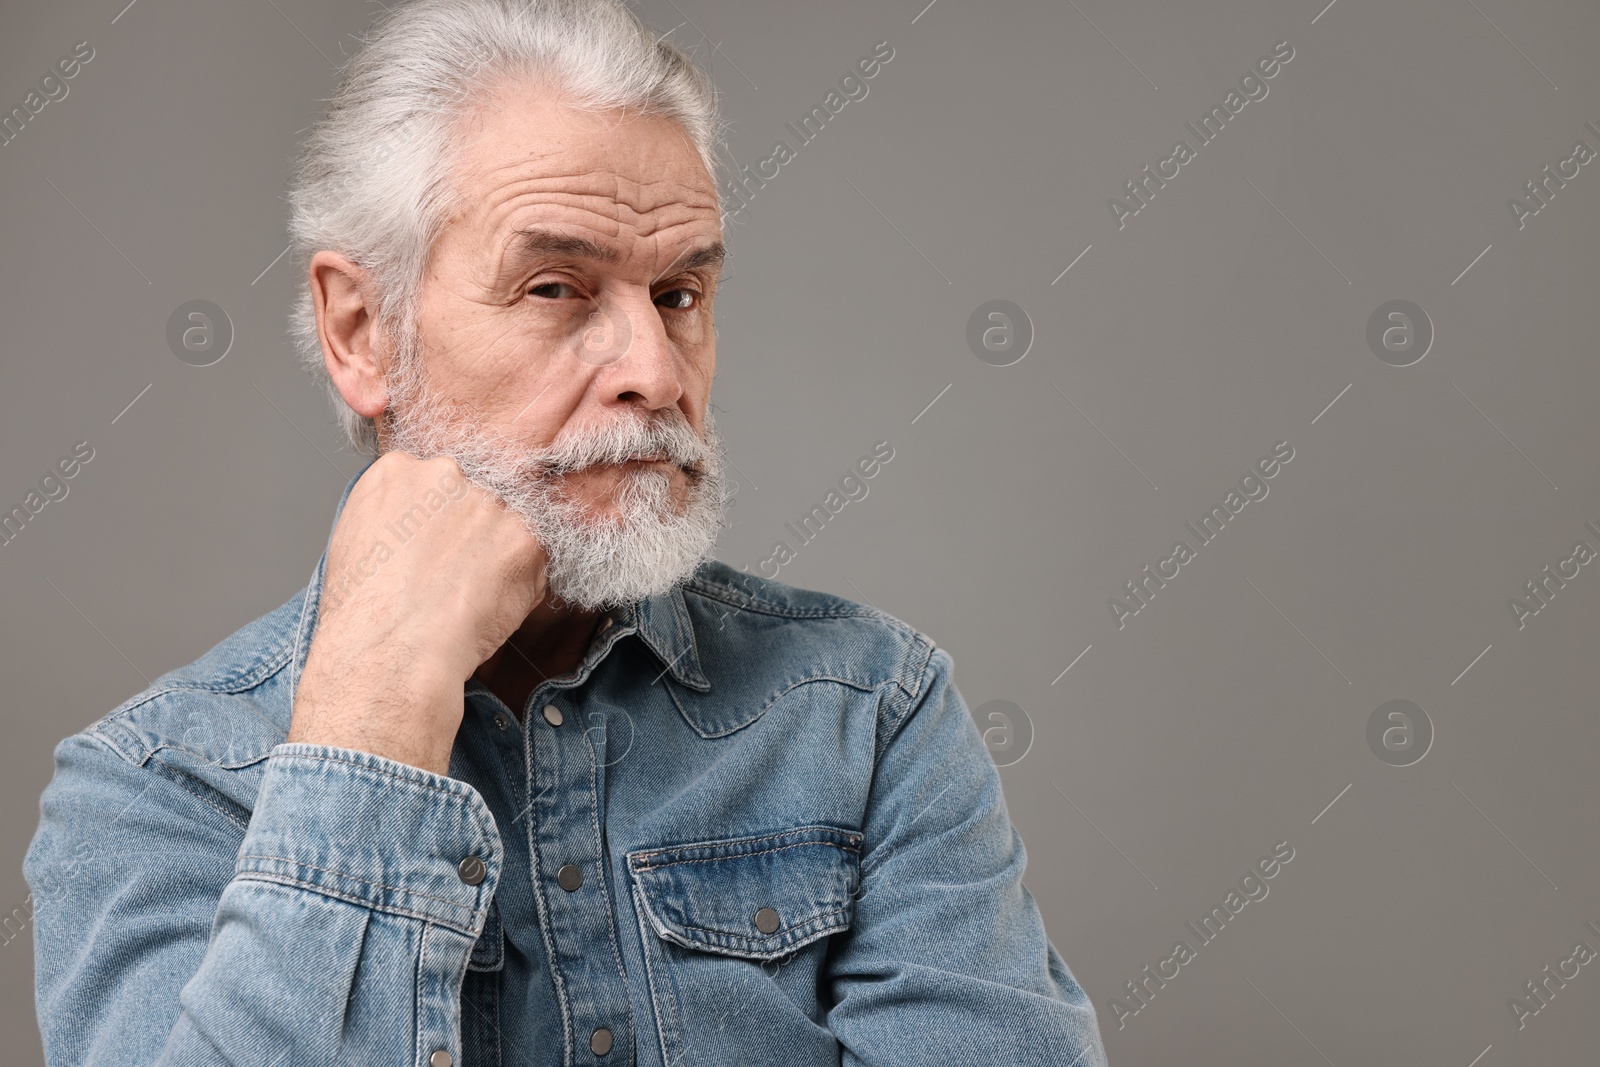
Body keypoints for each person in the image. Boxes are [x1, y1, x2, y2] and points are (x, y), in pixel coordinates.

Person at [24, 1, 1109, 1063]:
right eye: (555, 287)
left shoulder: (873, 713)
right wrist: (374, 717)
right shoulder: (154, 786)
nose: (654, 371)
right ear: (362, 332)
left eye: (679, 293)